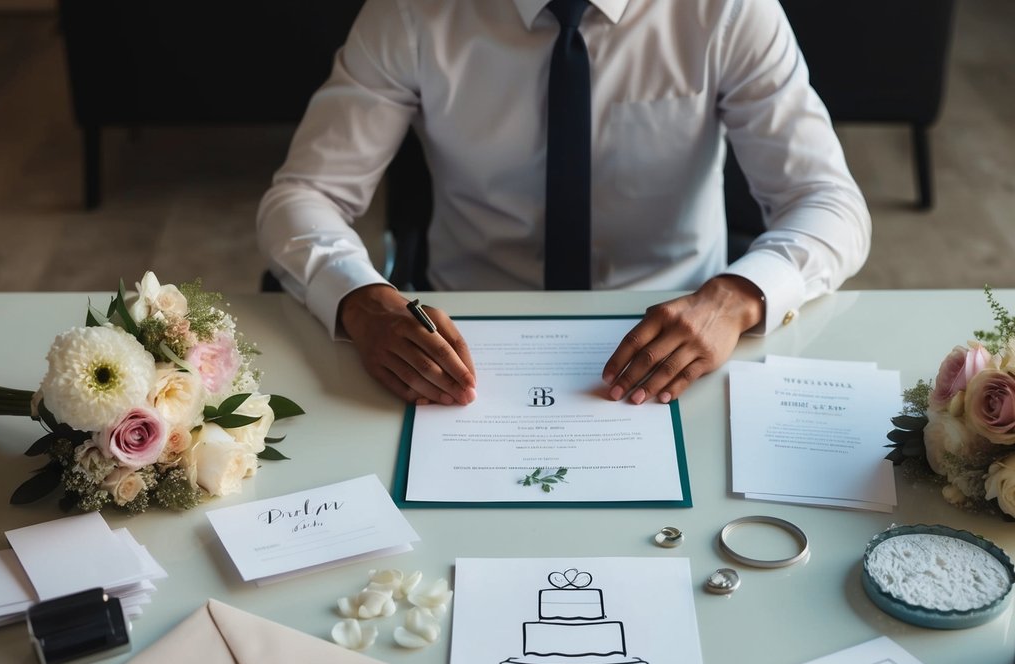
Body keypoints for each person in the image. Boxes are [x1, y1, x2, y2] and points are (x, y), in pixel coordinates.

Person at [257, 0, 871, 406]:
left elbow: (828, 202)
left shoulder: (729, 9)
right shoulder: (412, 10)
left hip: (682, 332)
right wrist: (363, 303)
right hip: (464, 339)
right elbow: (304, 193)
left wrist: (735, 299)